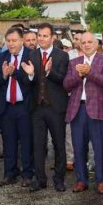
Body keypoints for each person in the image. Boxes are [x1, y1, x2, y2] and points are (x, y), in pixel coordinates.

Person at [64, 31, 103, 194]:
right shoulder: (74, 62)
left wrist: (89, 72)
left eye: (89, 42)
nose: (86, 45)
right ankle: (81, 180)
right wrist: (79, 75)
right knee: (78, 147)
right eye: (83, 42)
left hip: (98, 110)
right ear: (79, 44)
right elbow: (66, 84)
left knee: (100, 147)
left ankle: (101, 180)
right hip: (78, 110)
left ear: (97, 44)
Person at [26, 23, 69, 192]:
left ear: (52, 38)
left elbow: (64, 80)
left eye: (45, 36)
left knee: (59, 144)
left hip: (56, 107)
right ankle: (40, 179)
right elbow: (28, 82)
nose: (41, 39)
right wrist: (30, 75)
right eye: (40, 36)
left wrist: (50, 72)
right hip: (37, 107)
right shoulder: (32, 55)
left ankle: (59, 179)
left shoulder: (62, 56)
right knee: (38, 145)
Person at [0, 26, 34, 187]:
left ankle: (27, 174)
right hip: (7, 107)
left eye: (14, 40)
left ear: (22, 40)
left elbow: (32, 82)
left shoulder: (31, 56)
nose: (11, 44)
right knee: (8, 142)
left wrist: (15, 72)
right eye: (8, 41)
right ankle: (9, 173)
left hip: (25, 107)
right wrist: (3, 75)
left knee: (26, 142)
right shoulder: (1, 57)